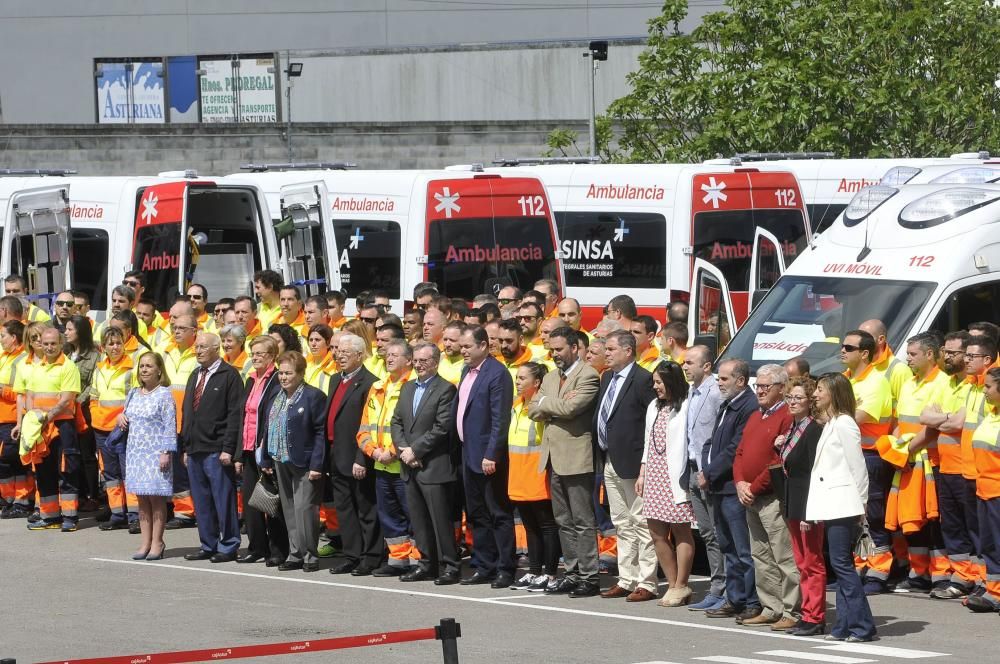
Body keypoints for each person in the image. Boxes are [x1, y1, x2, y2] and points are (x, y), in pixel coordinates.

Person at [528, 327, 601, 597]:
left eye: (559, 349)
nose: (554, 354)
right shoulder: (549, 377)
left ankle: (589, 575)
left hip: (577, 457)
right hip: (553, 458)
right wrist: (551, 402)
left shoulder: (588, 375)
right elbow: (532, 409)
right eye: (552, 350)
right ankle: (571, 572)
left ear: (574, 347)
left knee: (582, 519)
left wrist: (548, 403)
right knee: (563, 520)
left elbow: (572, 409)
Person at [806, 372, 875, 642]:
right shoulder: (833, 422)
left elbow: (858, 467)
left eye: (820, 389)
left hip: (845, 504)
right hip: (834, 504)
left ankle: (861, 626)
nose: (815, 394)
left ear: (834, 393)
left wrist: (861, 505)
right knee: (840, 564)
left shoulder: (845, 423)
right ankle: (844, 626)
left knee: (843, 566)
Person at [733, 364, 800, 631]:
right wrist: (739, 482)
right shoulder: (755, 416)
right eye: (757, 386)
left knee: (783, 556)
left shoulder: (786, 416)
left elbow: (777, 460)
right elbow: (740, 453)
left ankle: (791, 609)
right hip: (750, 495)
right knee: (761, 555)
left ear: (781, 388)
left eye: (765, 386)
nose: (759, 390)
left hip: (770, 496)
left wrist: (753, 487)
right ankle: (771, 606)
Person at [594, 330, 658, 602]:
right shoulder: (607, 377)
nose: (606, 353)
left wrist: (645, 462)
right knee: (621, 522)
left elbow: (650, 421)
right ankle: (627, 578)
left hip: (633, 462)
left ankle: (647, 582)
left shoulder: (643, 379)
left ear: (628, 351)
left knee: (641, 521)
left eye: (610, 349)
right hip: (609, 458)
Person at [390, 341, 460, 584]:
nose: (419, 365)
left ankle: (449, 565)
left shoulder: (445, 389)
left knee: (440, 519)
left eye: (424, 360)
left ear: (436, 362)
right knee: (419, 519)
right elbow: (396, 421)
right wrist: (403, 450)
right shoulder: (407, 388)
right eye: (416, 360)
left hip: (433, 465)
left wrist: (415, 451)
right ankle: (426, 563)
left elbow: (442, 428)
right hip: (409, 465)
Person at [455, 326, 516, 587]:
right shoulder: (465, 371)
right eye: (462, 346)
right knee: (477, 513)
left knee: (498, 513)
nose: (463, 351)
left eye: (468, 346)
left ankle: (505, 567)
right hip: (467, 452)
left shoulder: (497, 373)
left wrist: (492, 453)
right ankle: (483, 564)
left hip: (487, 456)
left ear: (483, 346)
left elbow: (499, 419)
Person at [702, 359, 761, 621]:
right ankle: (734, 598)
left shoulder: (748, 405)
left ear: (740, 380)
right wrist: (706, 466)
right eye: (719, 378)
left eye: (724, 379)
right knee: (728, 546)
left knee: (743, 549)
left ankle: (751, 601)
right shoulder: (729, 402)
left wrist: (710, 472)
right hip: (719, 485)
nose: (719, 383)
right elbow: (715, 441)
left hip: (731, 486)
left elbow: (735, 447)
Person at [261, 351, 327, 573]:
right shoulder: (276, 395)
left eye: (288, 373)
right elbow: (267, 428)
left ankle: (310, 555)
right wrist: (266, 458)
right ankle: (295, 552)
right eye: (281, 372)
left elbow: (320, 432)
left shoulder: (313, 396)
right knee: (289, 509)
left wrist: (317, 465)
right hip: (280, 458)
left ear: (300, 373)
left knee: (304, 508)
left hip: (304, 461)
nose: (283, 377)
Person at [181, 332, 243, 564]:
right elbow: (188, 412)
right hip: (195, 448)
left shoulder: (229, 375)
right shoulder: (195, 375)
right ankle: (208, 543)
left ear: (216, 348)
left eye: (203, 347)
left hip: (217, 449)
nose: (197, 351)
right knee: (202, 501)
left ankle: (228, 545)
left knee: (223, 499)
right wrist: (186, 446)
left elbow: (234, 415)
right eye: (196, 347)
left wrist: (228, 448)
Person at [356, 339, 417, 575]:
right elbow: (363, 428)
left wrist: (392, 452)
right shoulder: (377, 387)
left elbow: (411, 428)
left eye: (395, 355)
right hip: (381, 465)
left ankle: (417, 561)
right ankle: (398, 560)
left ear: (408, 360)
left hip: (402, 464)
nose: (388, 358)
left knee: (412, 515)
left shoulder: (412, 386)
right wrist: (374, 452)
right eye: (387, 355)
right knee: (390, 517)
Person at [637, 361, 695, 606]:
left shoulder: (686, 404)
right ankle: (672, 585)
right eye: (654, 382)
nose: (655, 387)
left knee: (681, 530)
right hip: (654, 474)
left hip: (675, 476)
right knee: (656, 532)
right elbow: (648, 441)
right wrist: (643, 472)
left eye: (659, 382)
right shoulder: (654, 406)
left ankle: (682, 583)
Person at [326, 333, 382, 576]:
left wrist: (362, 458)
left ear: (360, 355)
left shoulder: (370, 382)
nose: (339, 356)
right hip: (336, 454)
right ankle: (352, 555)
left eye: (345, 353)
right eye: (338, 352)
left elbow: (368, 424)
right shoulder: (335, 380)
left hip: (357, 455)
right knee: (345, 509)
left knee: (366, 509)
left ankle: (371, 556)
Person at [776, 376, 826, 636]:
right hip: (793, 503)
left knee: (812, 563)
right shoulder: (794, 427)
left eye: (798, 398)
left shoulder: (813, 428)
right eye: (789, 397)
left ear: (810, 402)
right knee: (801, 562)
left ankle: (814, 616)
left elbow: (814, 473)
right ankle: (807, 614)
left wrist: (811, 511)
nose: (792, 402)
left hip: (808, 505)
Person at [19, 327, 81, 531]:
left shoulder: (68, 366)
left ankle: (70, 517)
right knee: (44, 470)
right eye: (45, 344)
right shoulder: (36, 367)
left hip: (62, 425)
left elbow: (66, 400)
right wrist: (30, 418)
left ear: (61, 344)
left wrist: (45, 418)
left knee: (66, 470)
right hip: (40, 427)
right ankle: (50, 516)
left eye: (53, 343)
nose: (49, 347)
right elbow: (29, 394)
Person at [506, 362, 561, 591]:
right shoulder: (517, 404)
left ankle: (550, 573)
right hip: (518, 473)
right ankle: (534, 570)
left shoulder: (540, 406)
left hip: (537, 472)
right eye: (517, 378)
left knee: (546, 525)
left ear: (537, 382)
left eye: (522, 378)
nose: (517, 382)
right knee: (530, 526)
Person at [234, 336, 287, 567]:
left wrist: (265, 452)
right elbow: (243, 417)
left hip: (266, 450)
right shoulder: (251, 379)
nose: (255, 358)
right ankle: (256, 546)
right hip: (248, 448)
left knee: (271, 502)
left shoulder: (276, 380)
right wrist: (238, 453)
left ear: (272, 356)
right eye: (252, 353)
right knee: (251, 502)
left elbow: (271, 419)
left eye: (260, 354)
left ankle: (278, 549)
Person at [681, 345, 727, 610]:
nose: (685, 367)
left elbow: (719, 434)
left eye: (690, 362)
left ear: (706, 366)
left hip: (707, 471)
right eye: (684, 362)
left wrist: (709, 470)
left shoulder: (714, 393)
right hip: (691, 467)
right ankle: (717, 585)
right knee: (708, 532)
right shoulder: (692, 391)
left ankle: (723, 587)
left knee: (718, 532)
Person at [121, 351, 176, 560]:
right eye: (142, 366)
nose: (144, 369)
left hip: (155, 452)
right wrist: (121, 417)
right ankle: (144, 542)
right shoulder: (133, 393)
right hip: (136, 452)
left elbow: (170, 426)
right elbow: (127, 414)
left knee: (156, 498)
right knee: (142, 499)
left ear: (159, 370)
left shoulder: (164, 394)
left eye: (149, 366)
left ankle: (157, 542)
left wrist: (165, 452)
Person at [91, 327, 139, 533]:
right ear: (104, 346)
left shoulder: (132, 368)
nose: (115, 347)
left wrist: (125, 420)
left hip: (123, 428)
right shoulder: (99, 368)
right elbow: (94, 397)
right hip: (101, 428)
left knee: (128, 472)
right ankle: (117, 513)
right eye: (111, 343)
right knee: (110, 474)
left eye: (119, 342)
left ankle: (135, 515)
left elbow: (135, 398)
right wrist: (96, 416)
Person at [967, 367, 1000, 612]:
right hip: (984, 491)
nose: (985, 390)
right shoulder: (992, 414)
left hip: (997, 493)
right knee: (989, 545)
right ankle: (994, 592)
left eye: (989, 387)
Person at [65, 314, 101, 513]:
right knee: (72, 454)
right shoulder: (65, 353)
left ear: (81, 331)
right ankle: (76, 493)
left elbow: (92, 384)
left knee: (87, 455)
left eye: (70, 329)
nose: (66, 332)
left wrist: (76, 401)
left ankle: (92, 495)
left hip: (83, 410)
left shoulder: (94, 355)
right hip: (65, 411)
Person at [0, 320, 30, 519]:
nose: (1, 339)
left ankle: (22, 500)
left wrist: (2, 390)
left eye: (3, 336)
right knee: (5, 462)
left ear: (14, 337)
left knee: (15, 460)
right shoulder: (4, 356)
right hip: (2, 417)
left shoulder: (22, 359)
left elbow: (23, 392)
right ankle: (8, 499)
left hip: (13, 417)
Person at [305, 324, 336, 394]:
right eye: (311, 340)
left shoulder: (334, 366)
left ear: (328, 343)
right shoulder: (304, 364)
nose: (313, 344)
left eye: (317, 340)